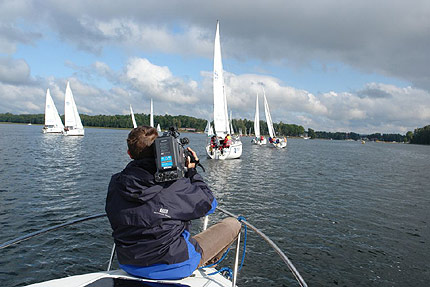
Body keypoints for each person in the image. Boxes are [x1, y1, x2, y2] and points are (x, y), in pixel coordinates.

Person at [105, 126, 241, 280]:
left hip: (128, 263)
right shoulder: (174, 186)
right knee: (233, 224)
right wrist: (191, 172)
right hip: (175, 265)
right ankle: (204, 263)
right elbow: (210, 204)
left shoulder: (116, 183)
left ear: (129, 154)